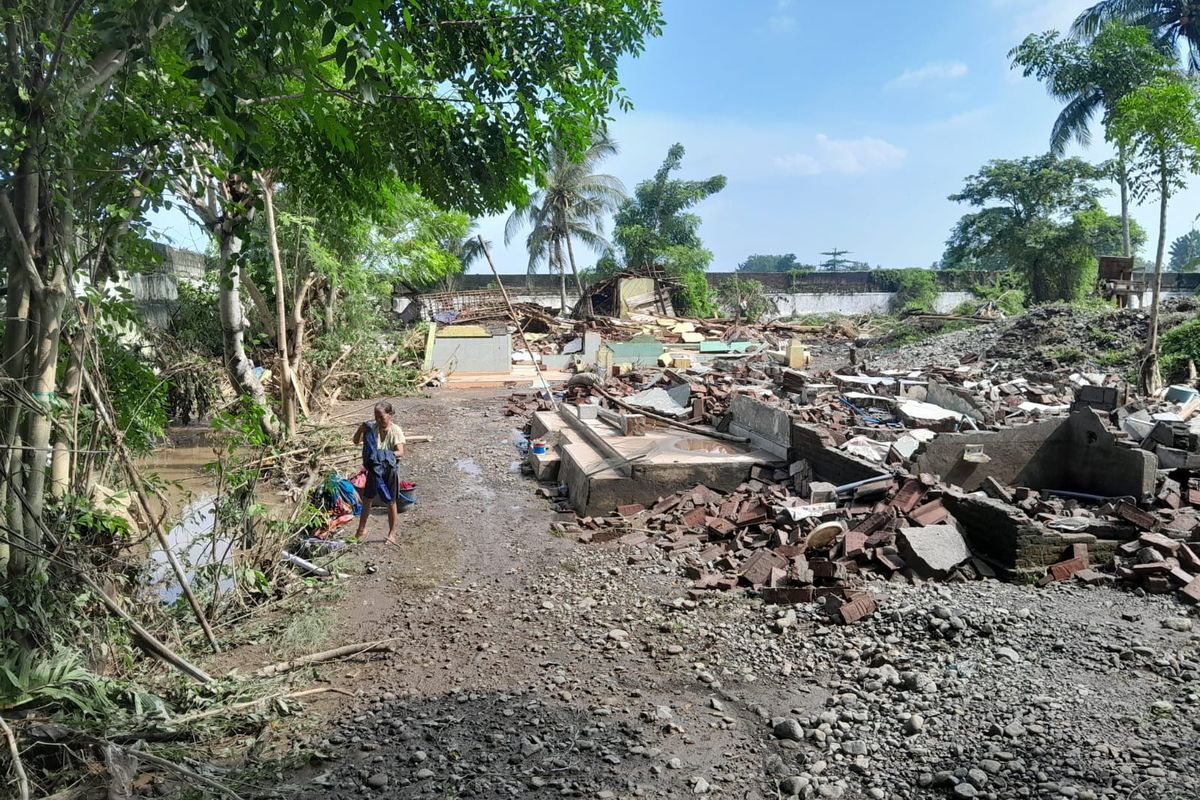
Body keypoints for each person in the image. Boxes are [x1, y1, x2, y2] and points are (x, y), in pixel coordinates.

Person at [353, 401, 406, 544]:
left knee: (391, 501)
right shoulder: (372, 429)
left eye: (381, 417)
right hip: (374, 469)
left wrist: (382, 455)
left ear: (390, 415)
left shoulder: (395, 431)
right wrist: (360, 429)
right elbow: (356, 441)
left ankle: (392, 533)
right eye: (376, 417)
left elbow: (400, 452)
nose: (378, 420)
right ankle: (361, 529)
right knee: (367, 498)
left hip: (389, 470)